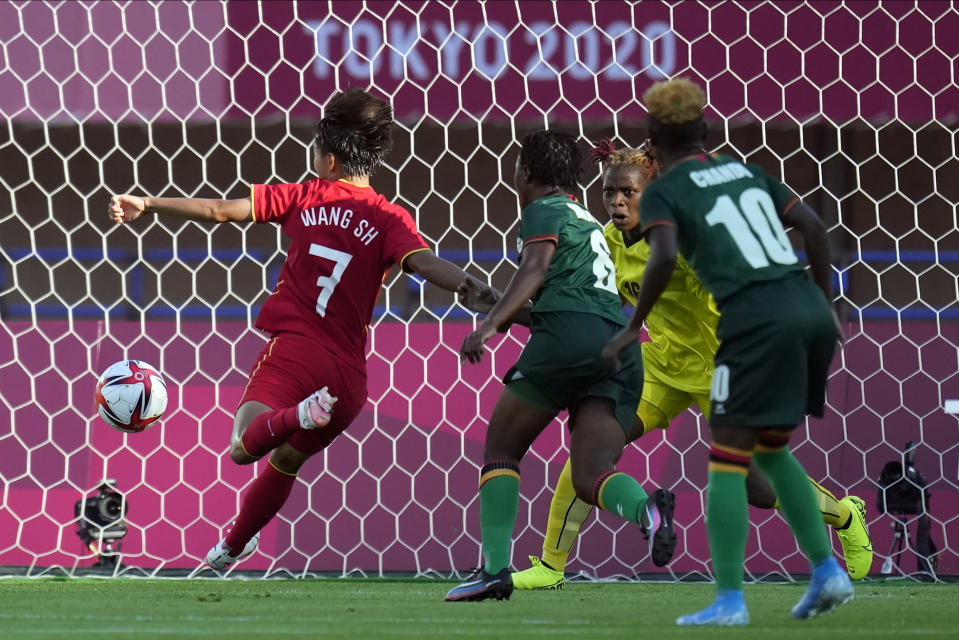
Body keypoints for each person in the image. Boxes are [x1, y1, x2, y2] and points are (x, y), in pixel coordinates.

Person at [108, 88, 481, 572]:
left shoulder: (306, 195)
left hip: (295, 352)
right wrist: (475, 289)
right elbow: (426, 264)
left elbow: (222, 212)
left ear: (328, 159)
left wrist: (149, 202)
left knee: (244, 447)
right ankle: (232, 547)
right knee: (285, 462)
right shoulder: (390, 219)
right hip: (348, 378)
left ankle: (298, 415)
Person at [511, 141, 872, 590]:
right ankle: (550, 565)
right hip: (662, 366)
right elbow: (585, 306)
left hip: (727, 369)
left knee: (758, 489)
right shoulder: (605, 242)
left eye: (628, 192)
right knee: (590, 452)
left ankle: (843, 514)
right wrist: (505, 307)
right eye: (609, 193)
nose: (617, 202)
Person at [602, 78, 855, 625]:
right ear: (706, 129)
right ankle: (826, 571)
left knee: (728, 462)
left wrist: (632, 326)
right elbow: (812, 225)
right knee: (770, 450)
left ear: (652, 136)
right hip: (805, 311)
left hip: (753, 324)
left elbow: (663, 255)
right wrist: (829, 305)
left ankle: (729, 601)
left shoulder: (666, 192)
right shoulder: (746, 172)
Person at [444, 129, 676, 603]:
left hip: (573, 337)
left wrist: (488, 325)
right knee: (592, 473)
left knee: (502, 446)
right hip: (617, 345)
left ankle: (492, 570)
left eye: (516, 166)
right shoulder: (587, 221)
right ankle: (646, 512)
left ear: (527, 172)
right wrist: (497, 301)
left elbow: (535, 268)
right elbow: (574, 302)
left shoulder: (543, 209)